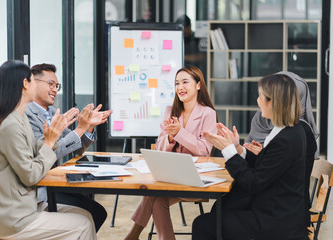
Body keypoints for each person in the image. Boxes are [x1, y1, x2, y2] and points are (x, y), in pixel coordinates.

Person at [0, 60, 96, 239]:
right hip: (13, 219)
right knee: (82, 225)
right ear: (25, 84)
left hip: (24, 208)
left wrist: (55, 133)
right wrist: (51, 140)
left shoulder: (17, 118)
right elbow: (31, 175)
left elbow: (36, 151)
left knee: (86, 215)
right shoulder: (10, 124)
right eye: (35, 82)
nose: (52, 89)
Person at [193, 74, 308, 240]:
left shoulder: (286, 139)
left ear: (273, 102)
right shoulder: (289, 131)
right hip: (277, 210)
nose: (257, 101)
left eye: (260, 96)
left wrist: (228, 150)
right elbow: (268, 168)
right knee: (221, 207)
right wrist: (238, 148)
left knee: (203, 224)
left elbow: (253, 183)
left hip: (275, 220)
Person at [125, 66, 217, 240]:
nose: (180, 87)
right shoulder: (170, 111)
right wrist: (169, 137)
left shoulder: (208, 114)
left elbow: (205, 151)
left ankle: (132, 236)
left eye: (185, 82)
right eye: (176, 83)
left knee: (155, 193)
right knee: (157, 197)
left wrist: (179, 133)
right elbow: (159, 147)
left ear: (198, 85)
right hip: (170, 175)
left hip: (194, 179)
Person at [25, 63, 111, 232]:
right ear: (32, 83)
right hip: (38, 191)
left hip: (54, 184)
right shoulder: (27, 114)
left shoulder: (49, 112)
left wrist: (88, 127)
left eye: (57, 85)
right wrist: (80, 128)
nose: (55, 89)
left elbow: (74, 148)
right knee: (94, 213)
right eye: (50, 84)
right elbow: (49, 152)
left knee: (97, 212)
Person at [244, 71, 318, 229]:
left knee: (217, 217)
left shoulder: (296, 132)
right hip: (273, 200)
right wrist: (260, 154)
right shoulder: (273, 123)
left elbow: (269, 177)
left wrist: (233, 151)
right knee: (224, 208)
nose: (258, 102)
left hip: (282, 211)